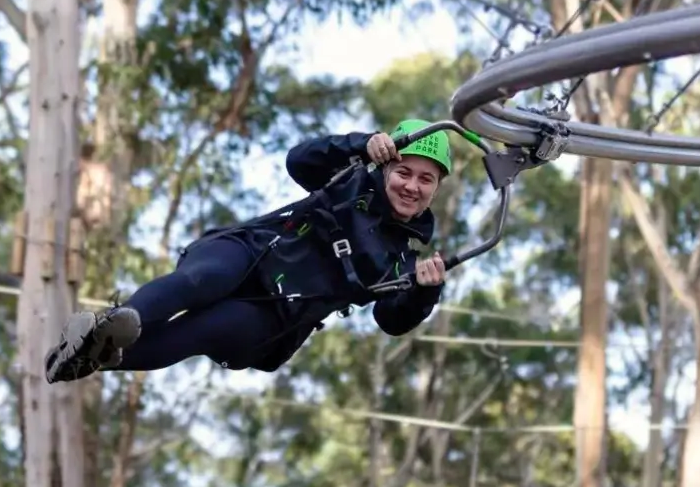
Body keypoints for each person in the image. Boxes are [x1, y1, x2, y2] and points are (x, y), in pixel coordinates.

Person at [44, 119, 451, 383]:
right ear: (386, 168)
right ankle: (110, 328)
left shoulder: (401, 259)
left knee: (203, 328)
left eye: (425, 180)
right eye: (403, 172)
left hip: (276, 315)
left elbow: (391, 319)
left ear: (436, 188)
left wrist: (424, 292)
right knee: (199, 281)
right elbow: (300, 161)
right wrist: (360, 145)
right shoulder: (351, 179)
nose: (412, 187)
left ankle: (95, 356)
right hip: (255, 251)